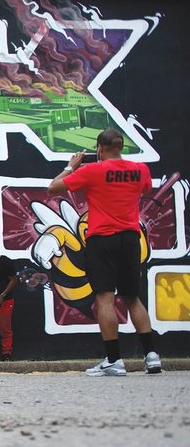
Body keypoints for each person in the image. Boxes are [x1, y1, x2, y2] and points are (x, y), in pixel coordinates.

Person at [48, 128, 163, 376]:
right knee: (133, 298)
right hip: (131, 239)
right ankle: (151, 356)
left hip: (102, 239)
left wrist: (71, 166)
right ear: (120, 146)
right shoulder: (140, 169)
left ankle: (114, 360)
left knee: (105, 297)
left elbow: (53, 187)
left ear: (99, 148)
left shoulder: (92, 170)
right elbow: (147, 191)